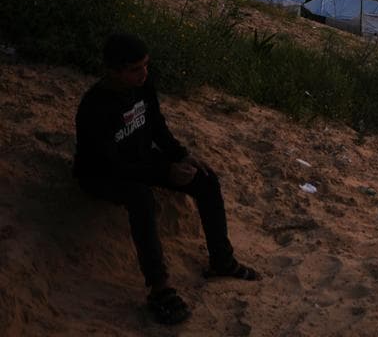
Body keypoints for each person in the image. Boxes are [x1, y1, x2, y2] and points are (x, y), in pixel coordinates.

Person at [74, 34, 258, 326]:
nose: (143, 73)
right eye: (135, 69)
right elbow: (110, 164)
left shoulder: (143, 86)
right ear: (113, 71)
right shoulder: (95, 107)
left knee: (206, 178)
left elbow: (157, 126)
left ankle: (222, 260)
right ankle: (159, 287)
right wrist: (164, 171)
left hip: (140, 158)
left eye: (146, 65)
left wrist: (181, 155)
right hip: (101, 173)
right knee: (141, 197)